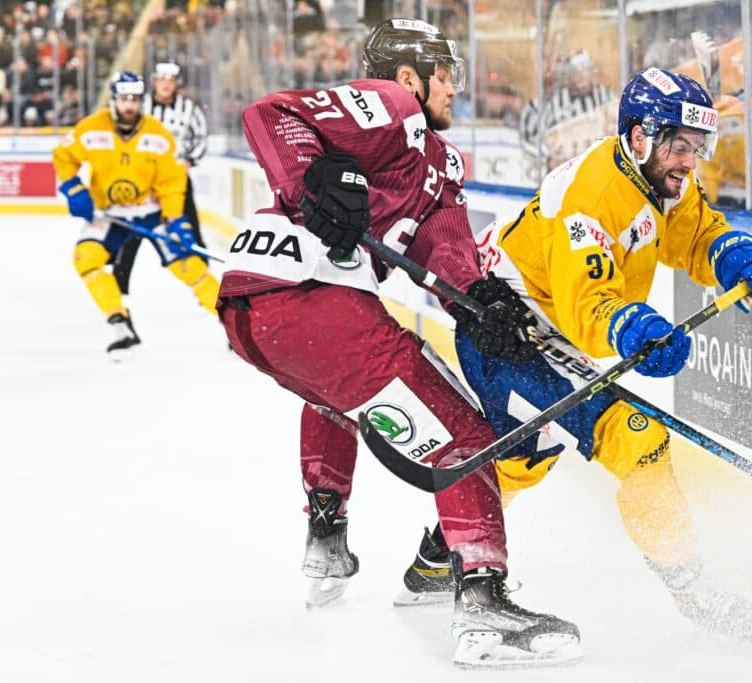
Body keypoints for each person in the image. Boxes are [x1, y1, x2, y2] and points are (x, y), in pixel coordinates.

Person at [215, 18, 580, 668]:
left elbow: (446, 253)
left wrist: (483, 301)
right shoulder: (391, 105)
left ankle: (325, 531)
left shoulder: (441, 163)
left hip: (256, 314)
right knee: (467, 439)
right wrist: (314, 177)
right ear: (410, 75)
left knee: (339, 399)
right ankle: (483, 605)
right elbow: (270, 114)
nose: (455, 88)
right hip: (309, 297)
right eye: (446, 74)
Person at [394, 67, 752, 640]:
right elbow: (588, 304)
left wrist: (732, 254)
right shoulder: (593, 195)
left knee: (522, 461)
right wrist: (632, 327)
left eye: (697, 147)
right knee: (637, 439)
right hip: (507, 333)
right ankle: (693, 587)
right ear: (640, 137)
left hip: (542, 334)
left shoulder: (660, 178)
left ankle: (436, 559)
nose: (689, 161)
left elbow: (696, 233)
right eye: (680, 146)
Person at [52, 71, 219, 356]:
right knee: (86, 259)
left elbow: (171, 181)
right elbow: (63, 156)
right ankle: (120, 324)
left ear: (141, 100)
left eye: (134, 99)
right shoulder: (91, 128)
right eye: (123, 98)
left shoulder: (158, 134)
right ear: (114, 99)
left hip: (150, 212)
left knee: (189, 266)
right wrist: (74, 189)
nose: (129, 105)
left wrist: (176, 218)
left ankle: (237, 325)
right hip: (110, 214)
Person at [113, 61, 210, 296]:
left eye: (171, 80)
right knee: (131, 232)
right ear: (154, 81)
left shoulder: (189, 109)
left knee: (190, 231)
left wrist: (189, 160)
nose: (166, 84)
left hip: (176, 179)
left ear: (176, 83)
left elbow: (200, 137)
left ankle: (207, 287)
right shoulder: (140, 105)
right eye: (162, 79)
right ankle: (118, 286)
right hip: (142, 180)